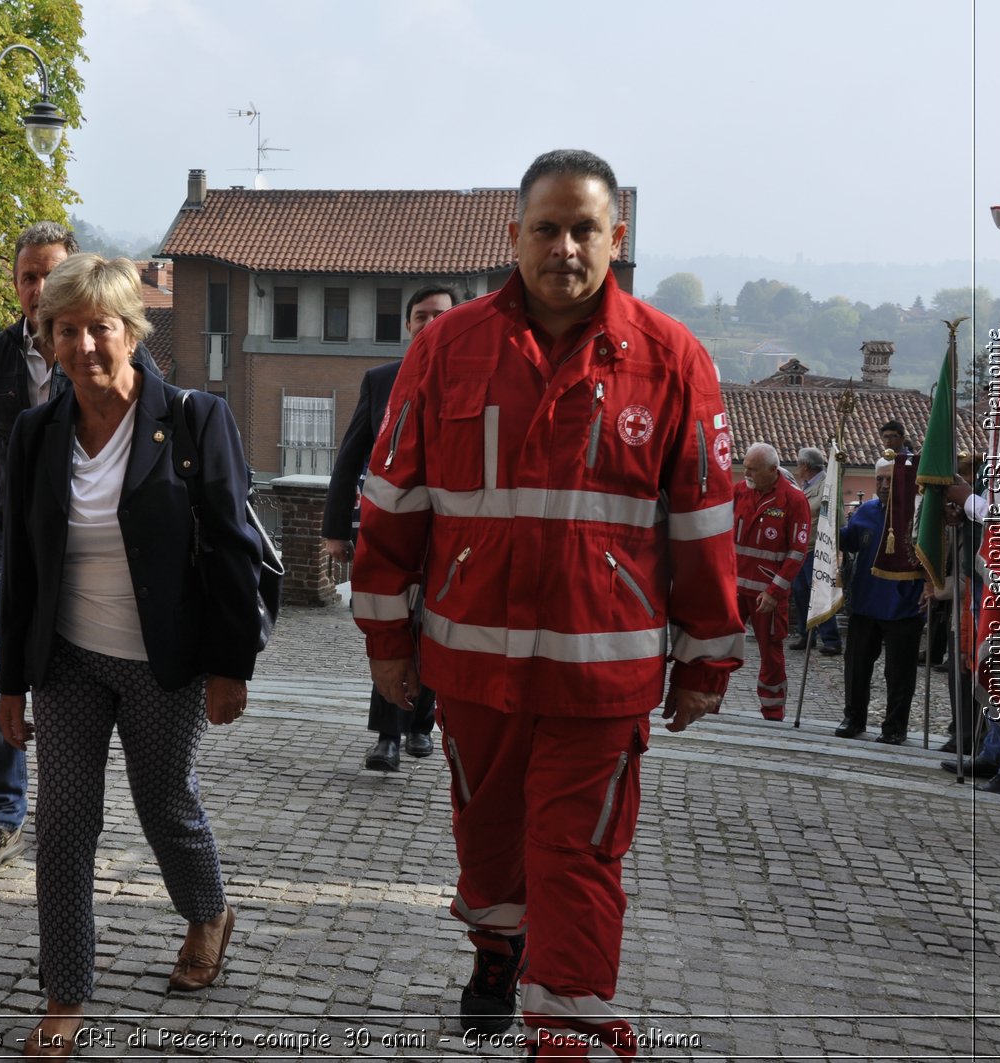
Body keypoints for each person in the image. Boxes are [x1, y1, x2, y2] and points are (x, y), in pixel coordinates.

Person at [351, 149, 742, 1059]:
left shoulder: (674, 358)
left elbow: (705, 521)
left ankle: (562, 1027)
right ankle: (498, 948)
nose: (564, 247)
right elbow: (393, 500)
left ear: (617, 236)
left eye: (583, 229)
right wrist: (384, 637)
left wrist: (707, 658)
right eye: (546, 228)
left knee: (578, 855)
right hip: (473, 666)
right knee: (488, 840)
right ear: (514, 234)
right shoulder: (445, 349)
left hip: (602, 677)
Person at [0, 254, 260, 1059]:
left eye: (98, 327)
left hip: (163, 659)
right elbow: (22, 561)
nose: (82, 345)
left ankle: (208, 909)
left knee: (163, 803)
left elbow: (233, 548)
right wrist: (8, 681)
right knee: (63, 827)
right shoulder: (36, 432)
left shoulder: (191, 420)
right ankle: (65, 992)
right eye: (64, 330)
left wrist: (231, 663)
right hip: (69, 657)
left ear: (132, 330)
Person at [0, 222, 160, 877]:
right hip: (10, 530)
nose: (38, 287)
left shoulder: (113, 341)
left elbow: (155, 422)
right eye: (27, 276)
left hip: (101, 534)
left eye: (51, 274)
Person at [324, 285, 455, 771]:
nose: (431, 323)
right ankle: (388, 737)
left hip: (451, 533)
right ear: (408, 325)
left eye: (441, 314)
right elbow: (350, 456)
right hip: (392, 529)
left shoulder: (474, 381)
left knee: (435, 628)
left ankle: (422, 723)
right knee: (390, 626)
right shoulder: (381, 381)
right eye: (422, 316)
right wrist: (335, 527)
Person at [834, 457, 927, 742]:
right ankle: (854, 718)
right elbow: (848, 541)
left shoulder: (918, 514)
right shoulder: (865, 511)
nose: (885, 485)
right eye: (880, 480)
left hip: (904, 604)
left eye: (891, 479)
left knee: (899, 674)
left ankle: (895, 727)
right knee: (857, 665)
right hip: (866, 602)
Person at [732, 442, 810, 720]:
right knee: (718, 644)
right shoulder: (740, 491)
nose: (747, 473)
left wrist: (775, 591)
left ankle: (773, 710)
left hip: (767, 594)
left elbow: (797, 551)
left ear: (772, 470)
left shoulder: (794, 499)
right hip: (733, 589)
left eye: (753, 469)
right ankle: (710, 700)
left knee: (771, 652)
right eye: (746, 467)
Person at [788, 446, 843, 655]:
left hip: (817, 547)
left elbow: (823, 510)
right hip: (802, 548)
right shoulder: (805, 486)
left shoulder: (825, 484)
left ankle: (831, 639)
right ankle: (806, 634)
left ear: (804, 466)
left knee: (819, 593)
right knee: (800, 592)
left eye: (798, 464)